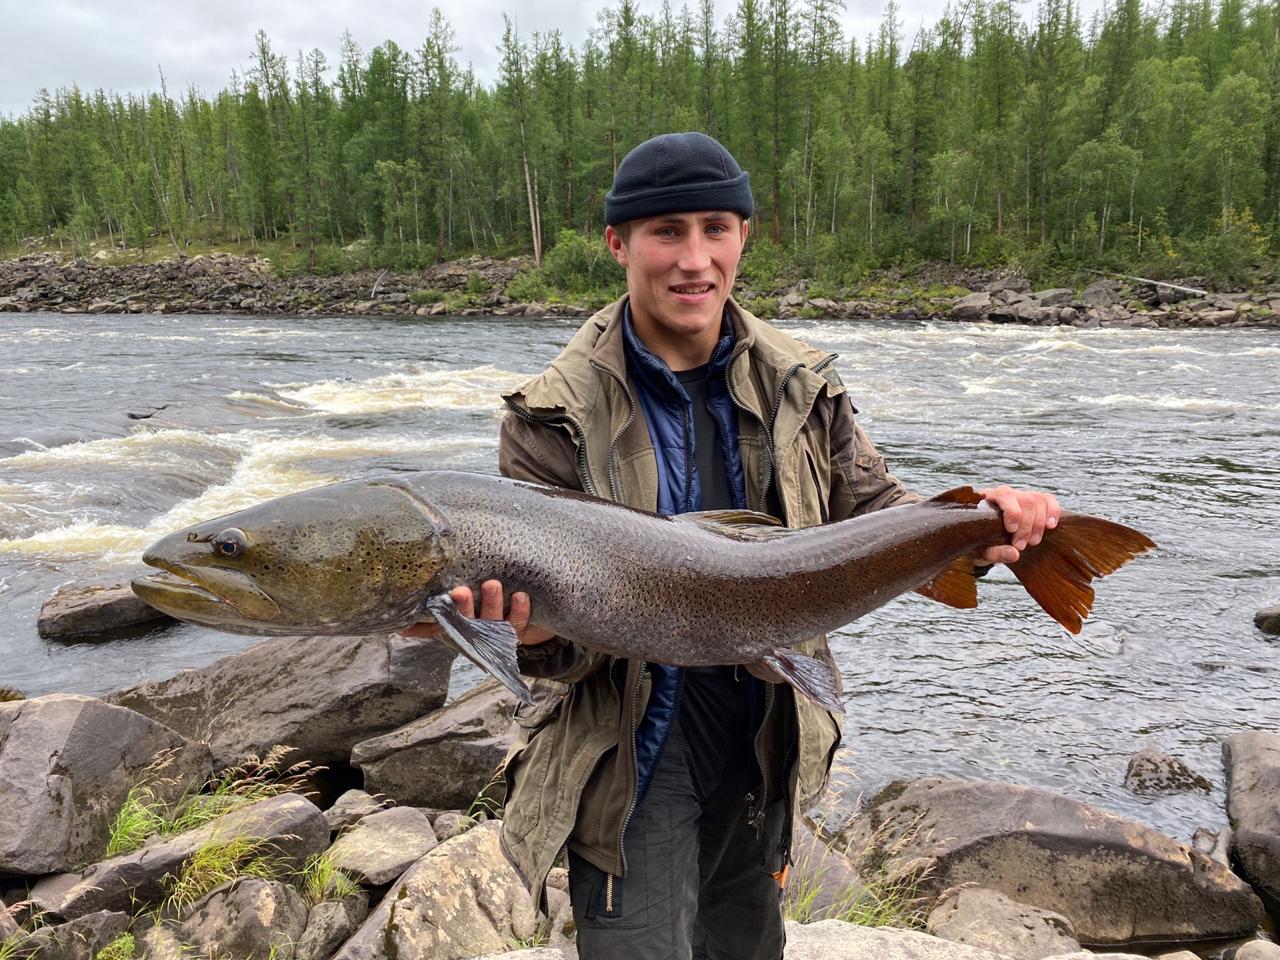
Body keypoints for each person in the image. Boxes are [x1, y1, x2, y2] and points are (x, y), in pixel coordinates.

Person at [411, 132, 1059, 960]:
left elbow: (879, 512)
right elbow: (562, 655)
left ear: (744, 236)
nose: (694, 258)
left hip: (766, 733)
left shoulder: (807, 386)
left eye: (716, 228)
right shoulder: (549, 417)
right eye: (666, 231)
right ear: (618, 244)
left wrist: (979, 528)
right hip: (632, 756)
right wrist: (526, 636)